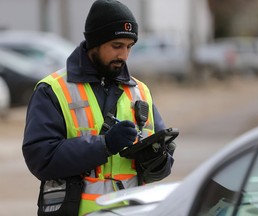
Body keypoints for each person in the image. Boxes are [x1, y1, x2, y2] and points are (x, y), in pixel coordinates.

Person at [22, 0, 175, 215]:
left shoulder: (140, 91)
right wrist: (104, 145)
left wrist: (158, 160)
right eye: (117, 46)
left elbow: (161, 169)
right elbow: (41, 158)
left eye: (129, 47)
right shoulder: (52, 89)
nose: (123, 55)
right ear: (95, 42)